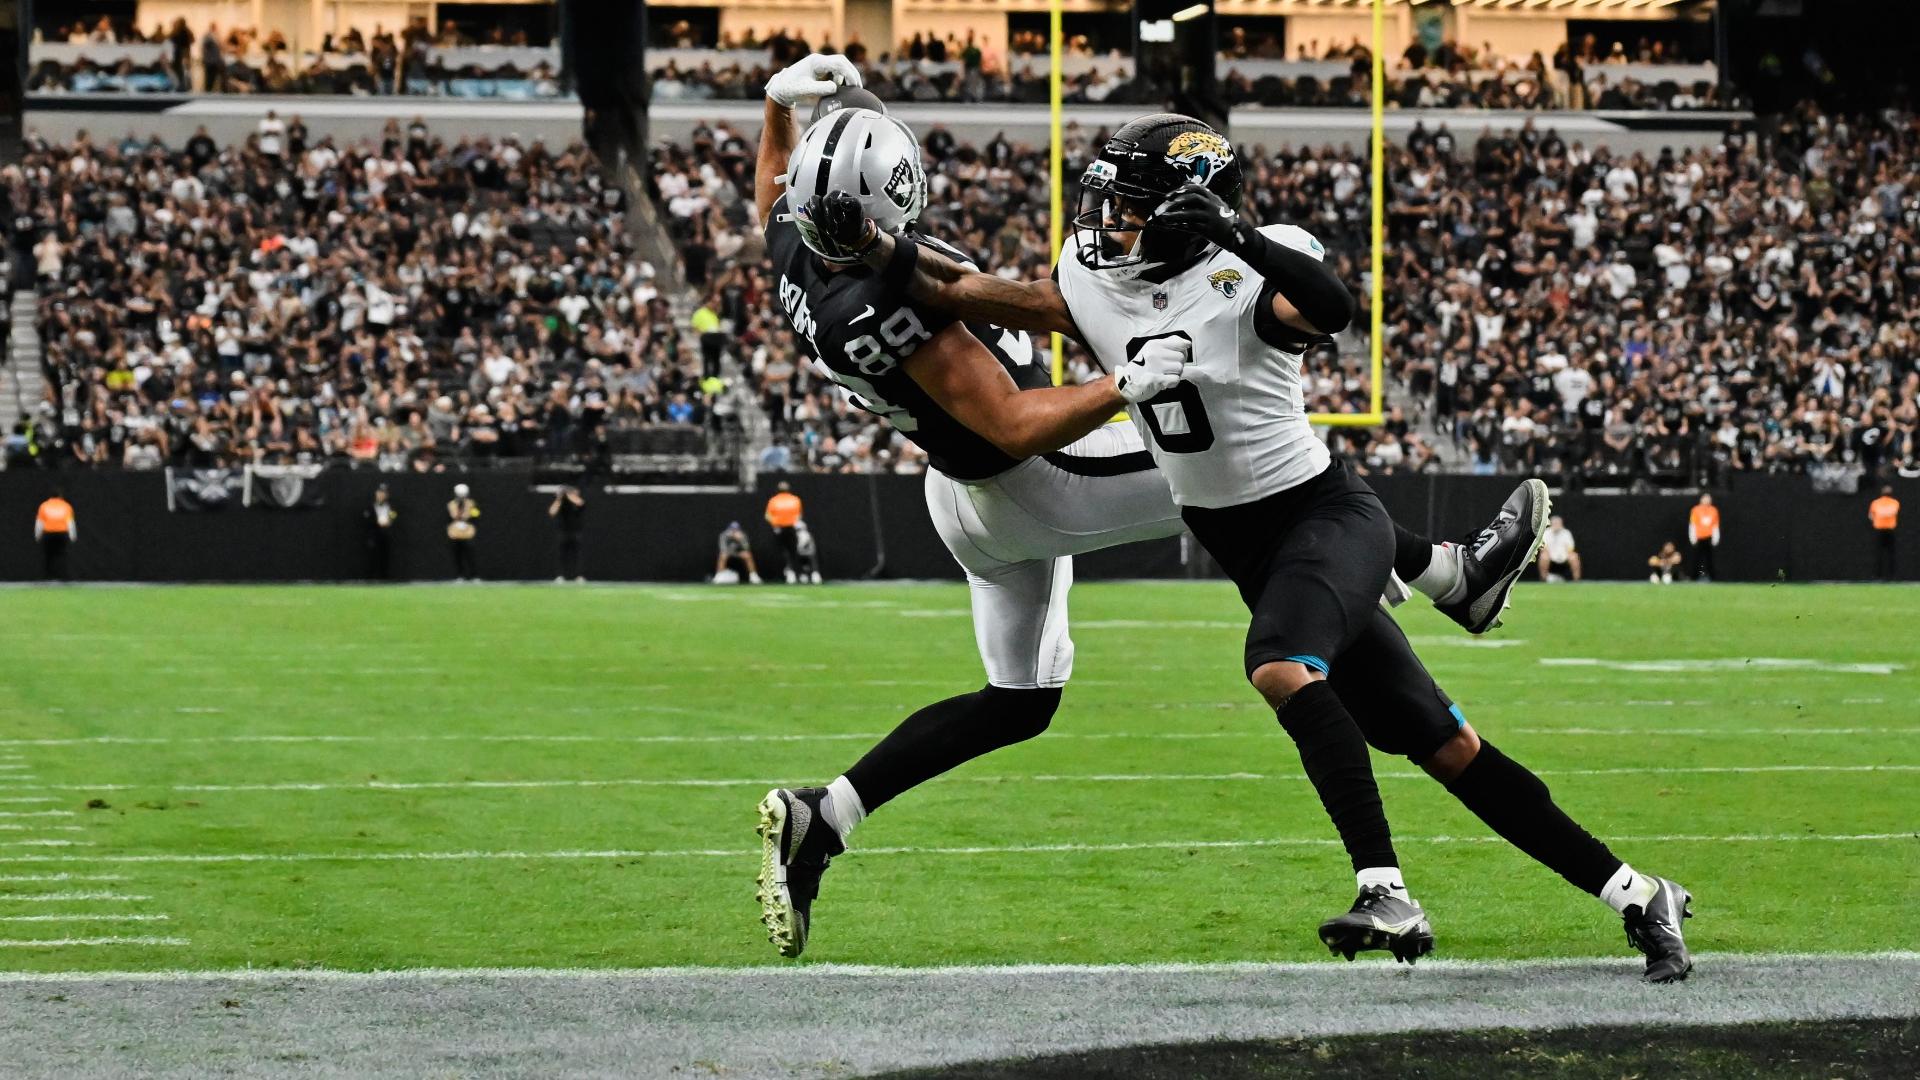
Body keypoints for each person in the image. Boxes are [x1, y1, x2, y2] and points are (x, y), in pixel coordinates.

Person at [822, 107, 1691, 980]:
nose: (1105, 223)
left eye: (1128, 207)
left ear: (1188, 211)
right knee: (1446, 745)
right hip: (1252, 547)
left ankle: (1385, 886)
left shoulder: (1252, 269)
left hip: (1322, 519)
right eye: (1108, 203)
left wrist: (1238, 234)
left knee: (1281, 664)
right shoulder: (1096, 280)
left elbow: (1330, 303)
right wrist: (872, 248)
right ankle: (1636, 893)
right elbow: (977, 295)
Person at [764, 481, 805, 583]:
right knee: (792, 552)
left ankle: (785, 575)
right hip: (789, 528)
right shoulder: (794, 499)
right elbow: (799, 515)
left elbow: (768, 516)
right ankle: (793, 574)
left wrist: (776, 523)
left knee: (783, 552)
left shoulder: (774, 500)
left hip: (781, 529)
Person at [34, 490, 77, 581]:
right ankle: (63, 577)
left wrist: (38, 535)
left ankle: (47, 577)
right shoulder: (66, 506)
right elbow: (70, 522)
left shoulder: (44, 506)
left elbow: (39, 523)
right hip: (62, 534)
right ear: (60, 496)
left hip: (48, 534)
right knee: (62, 555)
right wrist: (72, 535)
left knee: (48, 556)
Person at [550, 485, 586, 582]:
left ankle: (579, 576)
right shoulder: (561, 503)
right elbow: (552, 512)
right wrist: (559, 498)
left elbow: (581, 503)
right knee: (561, 556)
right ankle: (560, 576)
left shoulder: (577, 503)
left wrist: (570, 495)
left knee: (577, 556)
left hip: (576, 533)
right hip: (563, 532)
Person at [446, 483, 480, 580]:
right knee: (457, 555)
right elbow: (448, 518)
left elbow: (476, 515)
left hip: (467, 532)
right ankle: (459, 575)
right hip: (455, 532)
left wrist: (471, 515)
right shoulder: (451, 504)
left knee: (470, 555)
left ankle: (474, 575)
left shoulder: (472, 503)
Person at [365, 484, 398, 580]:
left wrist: (389, 521)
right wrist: (376, 522)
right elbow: (367, 520)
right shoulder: (370, 507)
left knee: (385, 558)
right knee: (372, 558)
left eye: (383, 493)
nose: (381, 495)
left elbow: (394, 515)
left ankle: (384, 579)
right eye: (379, 492)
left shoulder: (391, 507)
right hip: (374, 536)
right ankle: (371, 579)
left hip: (386, 536)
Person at [1537, 514, 1581, 582]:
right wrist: (1546, 553)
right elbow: (1543, 547)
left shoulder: (1566, 533)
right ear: (1551, 523)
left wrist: (1568, 553)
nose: (1556, 525)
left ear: (1561, 524)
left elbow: (1571, 547)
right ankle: (1543, 579)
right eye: (1555, 523)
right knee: (1544, 556)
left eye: (1558, 523)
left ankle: (1577, 580)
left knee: (1574, 556)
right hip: (1550, 555)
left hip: (1565, 555)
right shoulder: (1546, 532)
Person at [1687, 493, 1720, 581]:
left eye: (1708, 499)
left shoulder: (1714, 510)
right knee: (1697, 558)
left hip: (1709, 538)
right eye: (1705, 498)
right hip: (1699, 538)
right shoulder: (1695, 510)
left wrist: (1715, 538)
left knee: (1710, 559)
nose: (1707, 500)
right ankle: (1694, 577)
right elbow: (1692, 524)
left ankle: (1712, 577)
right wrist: (1692, 537)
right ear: (1701, 499)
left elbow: (1715, 525)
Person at [1869, 486, 1899, 580]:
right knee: (1883, 554)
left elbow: (1871, 516)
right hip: (1885, 530)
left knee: (1885, 553)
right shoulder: (1893, 502)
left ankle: (1886, 575)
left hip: (1883, 530)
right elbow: (1890, 512)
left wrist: (1878, 518)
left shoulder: (1877, 503)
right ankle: (1882, 575)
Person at [792, 519, 822, 584]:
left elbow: (803, 542)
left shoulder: (803, 533)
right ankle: (805, 577)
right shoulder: (802, 534)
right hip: (805, 553)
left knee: (810, 565)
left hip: (808, 553)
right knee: (805, 566)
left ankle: (814, 577)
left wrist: (798, 548)